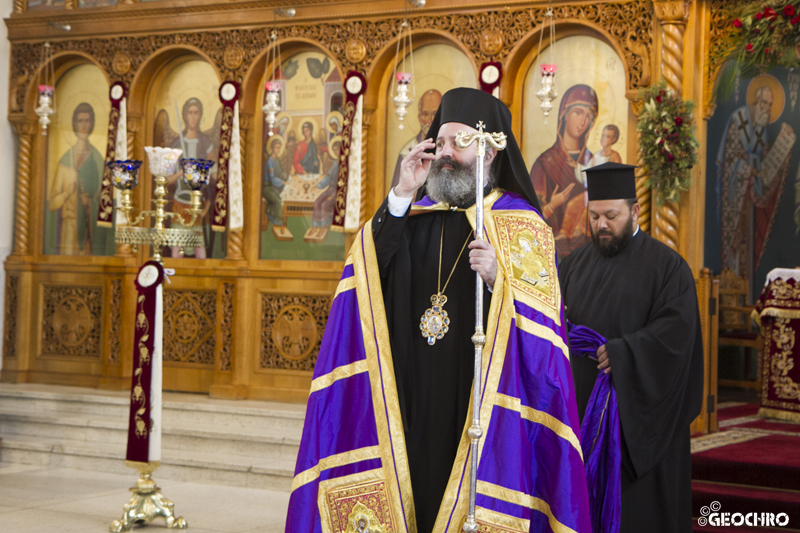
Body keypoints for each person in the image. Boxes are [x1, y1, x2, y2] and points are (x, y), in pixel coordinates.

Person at [287, 88, 591, 533]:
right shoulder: (414, 214)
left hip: (480, 405)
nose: (444, 154)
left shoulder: (519, 225)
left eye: (458, 143)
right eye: (440, 143)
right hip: (409, 396)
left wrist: (499, 283)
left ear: (488, 152)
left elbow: (546, 336)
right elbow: (371, 276)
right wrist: (400, 194)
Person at [558, 162, 704, 533]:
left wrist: (624, 354)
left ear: (634, 211)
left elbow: (677, 336)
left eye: (611, 216)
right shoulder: (574, 266)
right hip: (583, 413)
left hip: (639, 421)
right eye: (594, 216)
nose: (601, 225)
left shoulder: (668, 268)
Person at [715, 80, 793, 280]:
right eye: (765, 104)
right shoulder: (737, 119)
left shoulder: (761, 127)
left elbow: (765, 164)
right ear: (756, 101)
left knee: (747, 254)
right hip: (734, 195)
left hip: (750, 201)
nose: (767, 109)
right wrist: (752, 170)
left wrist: (784, 146)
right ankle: (732, 298)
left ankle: (746, 298)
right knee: (734, 251)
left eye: (770, 105)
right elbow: (730, 159)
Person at [530, 84, 598, 257]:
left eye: (588, 116)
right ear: (564, 115)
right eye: (578, 112)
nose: (583, 122)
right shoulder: (544, 163)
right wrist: (552, 205)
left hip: (589, 254)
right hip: (550, 256)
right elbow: (529, 218)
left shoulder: (594, 162)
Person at [46, 103, 112, 256]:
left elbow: (106, 199)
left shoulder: (98, 159)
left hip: (91, 229)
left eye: (87, 121)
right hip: (69, 228)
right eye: (80, 121)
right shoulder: (65, 160)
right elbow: (52, 204)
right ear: (74, 124)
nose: (83, 125)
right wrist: (67, 194)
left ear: (92, 124)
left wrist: (90, 201)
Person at [167, 97, 217, 259]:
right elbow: (167, 180)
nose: (193, 116)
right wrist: (182, 171)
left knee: (199, 249)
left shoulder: (206, 143)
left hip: (198, 205)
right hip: (180, 202)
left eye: (196, 113)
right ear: (185, 116)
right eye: (190, 113)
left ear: (200, 115)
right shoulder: (176, 145)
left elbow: (214, 174)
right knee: (177, 249)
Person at [390, 89, 443, 189]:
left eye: (435, 113)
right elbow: (398, 192)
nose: (430, 120)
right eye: (426, 114)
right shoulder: (407, 151)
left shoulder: (449, 150)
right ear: (419, 117)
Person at [306, 137, 341, 242]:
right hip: (330, 189)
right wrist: (317, 185)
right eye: (334, 149)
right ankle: (315, 226)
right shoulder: (335, 163)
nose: (336, 151)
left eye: (337, 149)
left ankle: (323, 227)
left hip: (338, 191)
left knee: (325, 204)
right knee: (317, 203)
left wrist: (334, 194)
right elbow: (328, 177)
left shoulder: (344, 164)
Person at [263, 136, 288, 234]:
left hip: (274, 187)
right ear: (272, 148)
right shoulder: (269, 162)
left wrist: (284, 175)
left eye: (279, 148)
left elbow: (280, 173)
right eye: (276, 147)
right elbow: (272, 179)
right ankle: (280, 223)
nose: (278, 150)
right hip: (267, 187)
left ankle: (277, 222)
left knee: (281, 196)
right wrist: (282, 182)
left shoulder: (277, 160)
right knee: (277, 200)